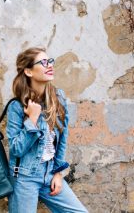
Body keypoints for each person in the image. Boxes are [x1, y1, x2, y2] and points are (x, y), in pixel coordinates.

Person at [6, 47, 88, 213]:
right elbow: (16, 148)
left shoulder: (59, 98)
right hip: (24, 177)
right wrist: (32, 120)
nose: (49, 65)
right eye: (43, 62)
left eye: (50, 61)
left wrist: (58, 173)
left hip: (49, 173)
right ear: (28, 71)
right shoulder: (17, 106)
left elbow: (62, 138)